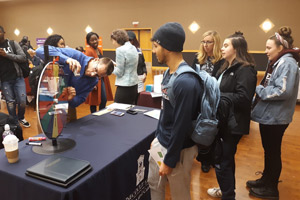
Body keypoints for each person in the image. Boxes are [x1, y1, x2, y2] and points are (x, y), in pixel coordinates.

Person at [147, 22, 203, 200]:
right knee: (154, 184)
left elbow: (181, 125)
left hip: (179, 150)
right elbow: (165, 112)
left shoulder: (186, 81)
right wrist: (157, 137)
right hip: (162, 143)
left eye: (156, 47)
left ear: (167, 47)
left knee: (180, 195)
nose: (154, 51)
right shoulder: (168, 73)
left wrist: (170, 160)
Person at [248, 26, 300, 199]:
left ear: (280, 48)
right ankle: (266, 179)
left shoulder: (288, 63)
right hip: (270, 116)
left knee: (273, 151)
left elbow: (283, 91)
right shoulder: (279, 62)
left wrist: (259, 90)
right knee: (269, 151)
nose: (265, 51)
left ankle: (271, 189)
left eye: (269, 48)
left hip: (276, 118)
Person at [207, 32, 257, 199]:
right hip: (223, 119)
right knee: (224, 159)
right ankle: (226, 190)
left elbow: (244, 98)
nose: (222, 48)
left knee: (223, 160)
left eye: (226, 45)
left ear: (236, 49)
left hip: (233, 123)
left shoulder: (245, 69)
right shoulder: (225, 66)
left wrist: (219, 97)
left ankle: (228, 195)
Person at [36, 46, 114, 121]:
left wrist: (71, 98)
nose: (93, 74)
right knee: (45, 130)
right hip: (47, 100)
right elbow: (40, 51)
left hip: (66, 107)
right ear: (96, 60)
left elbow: (80, 99)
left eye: (97, 75)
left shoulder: (94, 80)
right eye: (95, 70)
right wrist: (66, 59)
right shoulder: (75, 55)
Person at [192, 30, 224, 173]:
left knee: (211, 129)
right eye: (203, 42)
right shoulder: (198, 58)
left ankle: (211, 157)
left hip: (213, 99)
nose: (205, 45)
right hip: (199, 98)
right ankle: (203, 159)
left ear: (215, 43)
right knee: (200, 128)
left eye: (209, 42)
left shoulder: (222, 60)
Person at [0, 26, 31, 127]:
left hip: (18, 77)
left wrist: (6, 55)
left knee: (22, 101)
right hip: (4, 79)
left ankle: (21, 117)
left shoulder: (13, 44)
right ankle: (13, 122)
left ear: (4, 32)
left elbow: (23, 57)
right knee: (10, 102)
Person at [85, 32, 113, 113]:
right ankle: (94, 115)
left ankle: (101, 113)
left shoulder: (99, 50)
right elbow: (88, 67)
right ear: (88, 42)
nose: (94, 41)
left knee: (103, 99)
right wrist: (91, 82)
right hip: (95, 78)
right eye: (92, 40)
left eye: (96, 39)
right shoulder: (89, 51)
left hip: (102, 77)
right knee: (94, 100)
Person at [110, 29, 138, 104]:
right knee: (130, 109)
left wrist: (110, 67)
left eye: (112, 41)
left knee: (118, 110)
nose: (113, 43)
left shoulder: (120, 50)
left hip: (124, 86)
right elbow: (128, 64)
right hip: (134, 85)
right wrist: (116, 64)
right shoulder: (133, 47)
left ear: (116, 40)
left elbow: (119, 72)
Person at [127, 31, 147, 104]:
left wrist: (145, 73)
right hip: (130, 79)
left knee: (138, 98)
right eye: (127, 40)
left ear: (134, 40)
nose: (129, 42)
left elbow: (143, 64)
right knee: (130, 99)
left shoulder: (139, 50)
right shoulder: (124, 51)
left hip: (140, 78)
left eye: (131, 40)